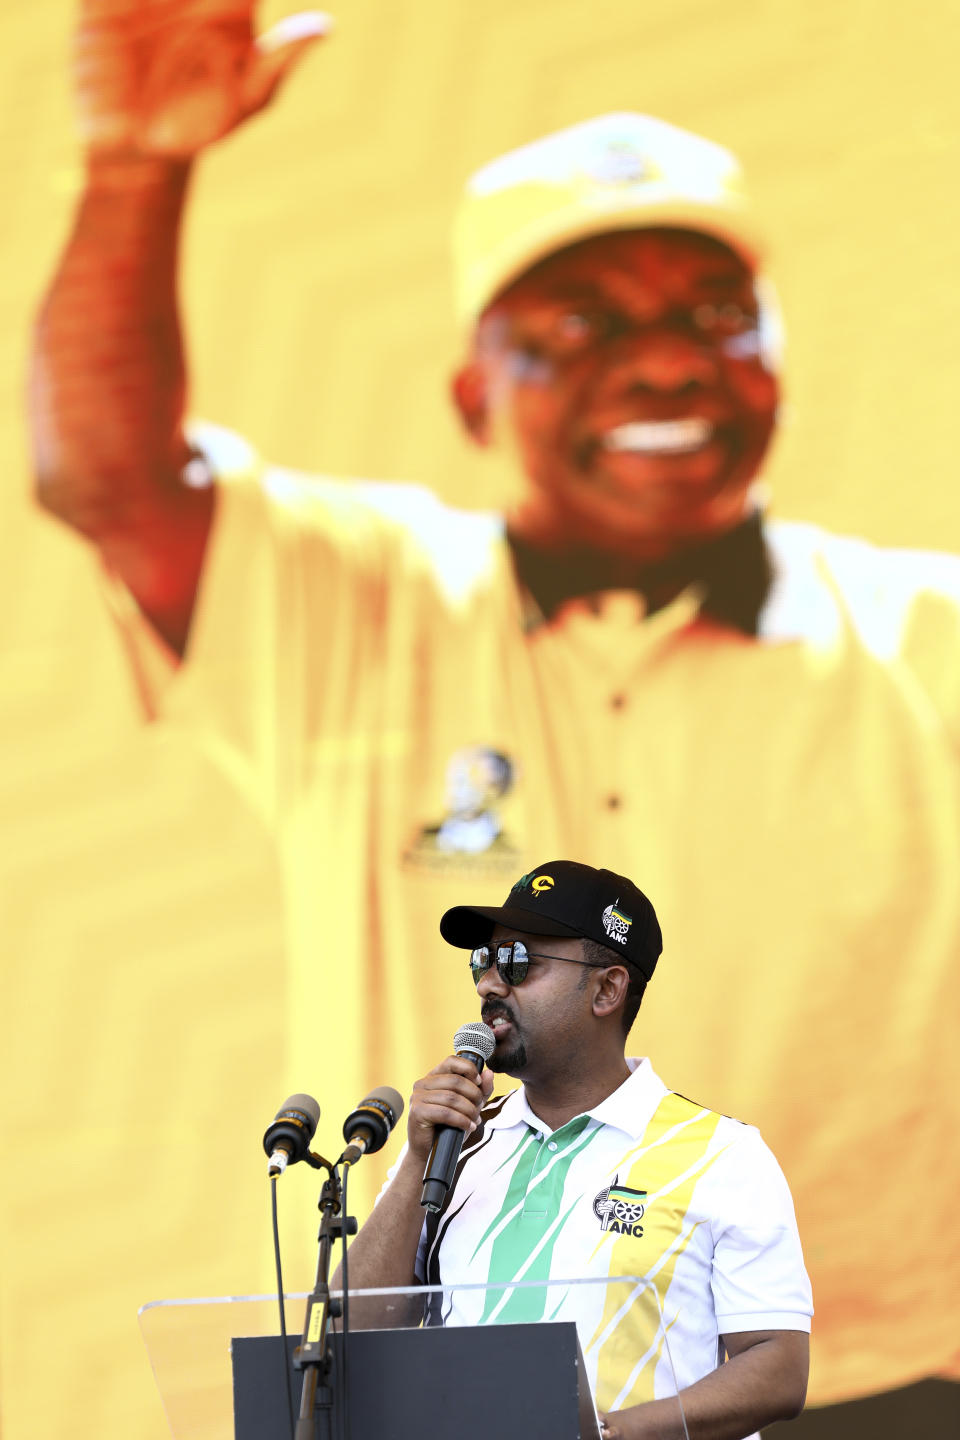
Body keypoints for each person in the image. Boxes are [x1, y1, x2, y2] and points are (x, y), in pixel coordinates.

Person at [29, 0, 960, 1405]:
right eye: (576, 324)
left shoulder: (930, 635)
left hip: (864, 1388)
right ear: (474, 393)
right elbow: (107, 480)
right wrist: (132, 173)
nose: (660, 360)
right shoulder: (353, 602)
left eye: (713, 315)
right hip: (457, 1384)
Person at [342, 860, 812, 1440]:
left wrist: (612, 1434)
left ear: (607, 988)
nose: (490, 984)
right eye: (483, 962)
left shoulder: (722, 1154)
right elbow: (351, 1340)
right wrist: (416, 1160)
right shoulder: (452, 1145)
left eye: (517, 961)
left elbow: (777, 1368)